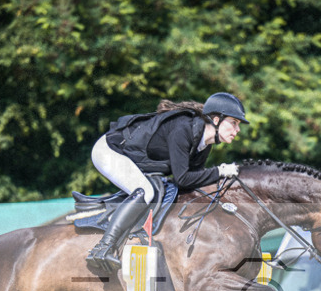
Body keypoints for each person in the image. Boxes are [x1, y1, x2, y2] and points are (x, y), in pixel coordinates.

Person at [85, 92, 248, 273]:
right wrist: (220, 171)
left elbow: (190, 182)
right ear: (216, 120)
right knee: (145, 192)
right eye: (234, 123)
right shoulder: (183, 129)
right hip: (110, 151)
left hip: (133, 159)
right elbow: (183, 178)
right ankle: (103, 248)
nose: (237, 130)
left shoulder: (203, 144)